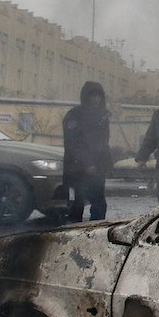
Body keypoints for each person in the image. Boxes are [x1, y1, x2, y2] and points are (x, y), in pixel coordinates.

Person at [61, 81, 114, 221]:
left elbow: (103, 142)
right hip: (76, 169)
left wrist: (107, 163)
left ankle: (96, 234)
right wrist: (86, 164)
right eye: (92, 96)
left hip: (97, 168)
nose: (95, 99)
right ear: (85, 97)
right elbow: (73, 144)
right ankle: (72, 235)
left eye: (98, 96)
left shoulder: (103, 116)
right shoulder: (74, 115)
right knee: (76, 204)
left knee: (98, 204)